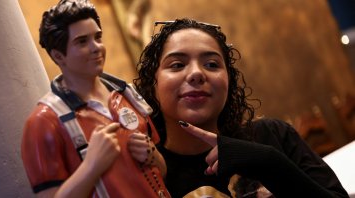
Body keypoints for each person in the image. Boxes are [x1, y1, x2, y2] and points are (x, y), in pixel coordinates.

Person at [133, 18, 349, 197]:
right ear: (153, 85)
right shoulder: (148, 172)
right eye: (177, 65)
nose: (197, 74)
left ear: (229, 80)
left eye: (212, 64)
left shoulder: (272, 136)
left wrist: (270, 163)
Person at [21, 0, 170, 197]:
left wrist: (153, 156)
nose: (96, 47)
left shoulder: (126, 94)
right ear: (58, 56)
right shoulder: (44, 122)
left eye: (98, 37)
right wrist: (91, 166)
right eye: (82, 41)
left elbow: (163, 170)